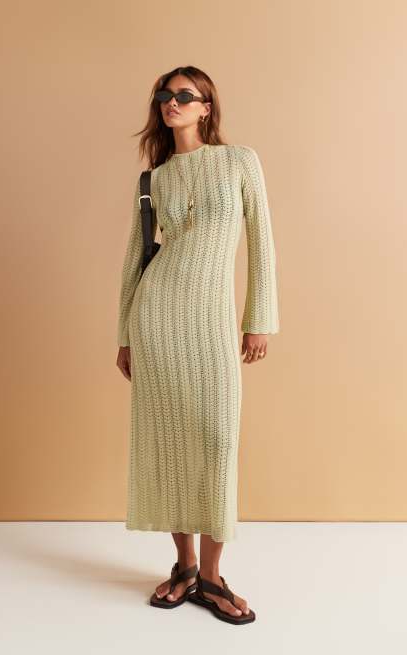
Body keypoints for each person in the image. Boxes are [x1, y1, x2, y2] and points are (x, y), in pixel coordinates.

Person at [116, 65, 279, 625]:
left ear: (207, 107)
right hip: (155, 320)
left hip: (211, 323)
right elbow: (134, 261)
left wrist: (259, 319)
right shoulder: (155, 179)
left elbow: (261, 241)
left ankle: (212, 576)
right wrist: (124, 336)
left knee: (216, 440)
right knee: (168, 445)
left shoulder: (239, 162)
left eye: (185, 95)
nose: (172, 102)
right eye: (165, 95)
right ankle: (185, 568)